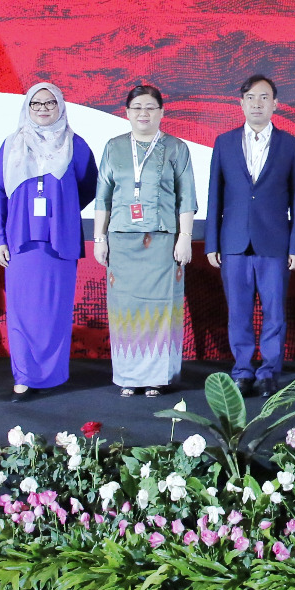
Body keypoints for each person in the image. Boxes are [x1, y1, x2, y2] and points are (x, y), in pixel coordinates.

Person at [0, 82, 98, 402]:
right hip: (21, 242)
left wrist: (64, 210)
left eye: (50, 103)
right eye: (36, 104)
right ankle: (23, 378)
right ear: (27, 108)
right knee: (22, 312)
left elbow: (90, 185)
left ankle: (51, 375)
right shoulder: (11, 145)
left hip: (59, 243)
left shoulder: (76, 145)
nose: (44, 109)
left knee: (54, 312)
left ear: (61, 106)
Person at [205, 75, 295, 398]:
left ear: (276, 104)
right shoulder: (224, 142)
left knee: (274, 312)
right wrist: (211, 242)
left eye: (264, 98)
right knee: (238, 311)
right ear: (241, 103)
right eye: (251, 98)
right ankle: (243, 370)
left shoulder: (291, 145)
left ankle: (268, 371)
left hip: (275, 243)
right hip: (233, 242)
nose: (257, 104)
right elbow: (214, 196)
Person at [93, 84, 197, 397]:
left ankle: (156, 378)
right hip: (122, 242)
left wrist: (186, 238)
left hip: (163, 242)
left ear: (161, 112)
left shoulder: (178, 148)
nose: (143, 113)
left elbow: (187, 198)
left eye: (150, 107)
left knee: (160, 310)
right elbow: (103, 198)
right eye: (137, 107)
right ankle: (128, 376)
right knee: (125, 309)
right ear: (126, 113)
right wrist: (100, 238)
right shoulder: (113, 147)